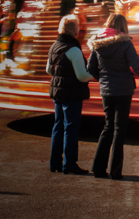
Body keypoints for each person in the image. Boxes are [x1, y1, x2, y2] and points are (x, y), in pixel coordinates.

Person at [87, 13, 139, 179]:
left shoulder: (97, 44)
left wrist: (103, 79)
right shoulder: (125, 44)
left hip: (107, 91)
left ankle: (98, 168)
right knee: (119, 130)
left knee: (108, 127)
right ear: (123, 27)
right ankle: (115, 171)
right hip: (123, 90)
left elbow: (91, 68)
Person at [46, 15, 94, 175]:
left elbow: (48, 70)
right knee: (71, 128)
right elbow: (81, 76)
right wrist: (92, 75)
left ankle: (54, 163)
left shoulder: (54, 46)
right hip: (72, 93)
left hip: (57, 92)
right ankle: (70, 163)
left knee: (57, 126)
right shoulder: (73, 49)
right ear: (74, 30)